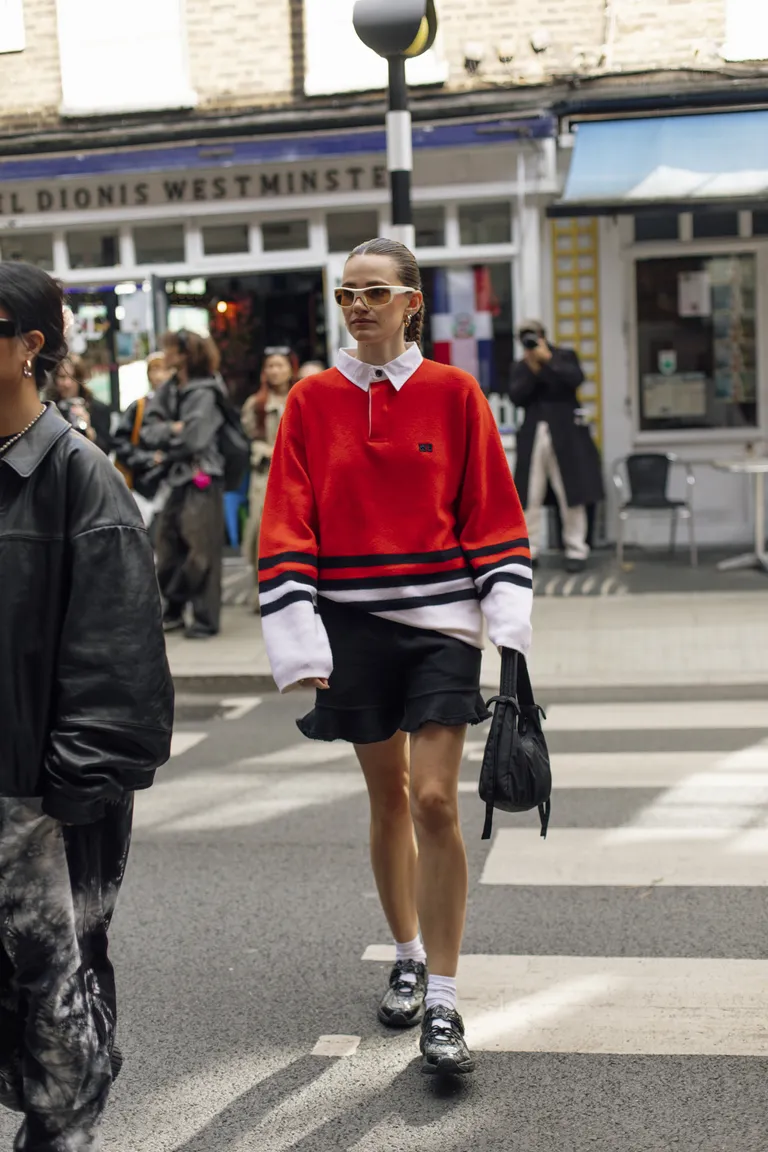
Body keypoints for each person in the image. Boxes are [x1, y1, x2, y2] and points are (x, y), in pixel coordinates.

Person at [258, 238, 533, 1077]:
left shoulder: (455, 394)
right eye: (346, 294)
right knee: (386, 799)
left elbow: (490, 506)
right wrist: (297, 627)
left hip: (442, 626)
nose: (358, 306)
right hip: (352, 627)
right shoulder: (310, 402)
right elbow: (288, 518)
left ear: (414, 301)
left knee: (436, 801)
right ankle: (408, 953)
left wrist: (507, 618)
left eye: (375, 291)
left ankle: (444, 1004)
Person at [0, 262, 174, 1151]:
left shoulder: (80, 480)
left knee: (58, 1038)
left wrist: (57, 808)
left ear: (31, 347)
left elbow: (123, 678)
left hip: (35, 808)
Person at [141, 329, 226, 638]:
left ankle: (204, 619)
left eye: (171, 350)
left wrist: (171, 430)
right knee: (166, 548)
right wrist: (174, 428)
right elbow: (147, 431)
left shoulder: (206, 390)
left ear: (186, 353)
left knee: (200, 552)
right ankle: (174, 610)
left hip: (203, 477)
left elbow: (195, 438)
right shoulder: (171, 388)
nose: (166, 355)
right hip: (176, 478)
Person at [508, 319, 604, 573]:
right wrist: (532, 368)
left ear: (542, 335)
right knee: (529, 495)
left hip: (565, 434)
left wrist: (547, 360)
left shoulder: (564, 356)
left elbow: (574, 380)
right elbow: (516, 396)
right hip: (534, 432)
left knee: (571, 493)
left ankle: (576, 548)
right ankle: (530, 550)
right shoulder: (521, 366)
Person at [241, 347, 295, 611]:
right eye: (270, 366)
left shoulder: (300, 397)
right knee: (258, 534)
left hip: (297, 475)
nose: (275, 371)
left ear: (290, 369)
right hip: (264, 477)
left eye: (280, 365)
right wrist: (266, 451)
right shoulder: (256, 404)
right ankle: (260, 591)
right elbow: (244, 442)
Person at [113, 351, 172, 527]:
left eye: (164, 369)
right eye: (154, 370)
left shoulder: (178, 405)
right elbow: (120, 443)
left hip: (171, 484)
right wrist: (148, 458)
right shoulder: (138, 407)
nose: (159, 375)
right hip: (141, 486)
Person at [45, 354, 113, 454]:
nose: (67, 383)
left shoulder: (98, 408)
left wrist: (89, 431)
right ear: (55, 380)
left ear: (80, 379)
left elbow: (106, 450)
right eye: (62, 377)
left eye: (73, 378)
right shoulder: (48, 410)